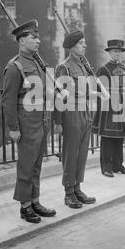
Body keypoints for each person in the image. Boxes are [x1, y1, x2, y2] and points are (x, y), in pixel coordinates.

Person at [1, 19, 56, 223]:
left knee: (36, 165)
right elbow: (7, 101)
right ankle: (25, 206)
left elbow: (44, 93)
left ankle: (35, 200)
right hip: (26, 125)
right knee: (26, 166)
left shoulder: (37, 63)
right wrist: (13, 128)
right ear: (22, 40)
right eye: (34, 37)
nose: (38, 41)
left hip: (41, 122)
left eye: (38, 37)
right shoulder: (15, 67)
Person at [53, 30, 96, 209]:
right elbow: (57, 95)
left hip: (85, 111)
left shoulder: (83, 66)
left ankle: (78, 187)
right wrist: (58, 122)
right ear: (71, 48)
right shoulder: (65, 68)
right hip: (71, 112)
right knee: (71, 154)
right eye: (80, 43)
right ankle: (69, 192)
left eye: (84, 43)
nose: (85, 46)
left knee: (82, 153)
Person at [92, 40, 125, 177]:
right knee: (108, 138)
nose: (118, 54)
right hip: (109, 108)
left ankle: (118, 165)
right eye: (115, 51)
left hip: (122, 107)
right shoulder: (103, 69)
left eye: (120, 51)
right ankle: (106, 167)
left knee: (119, 138)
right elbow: (97, 89)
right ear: (109, 52)